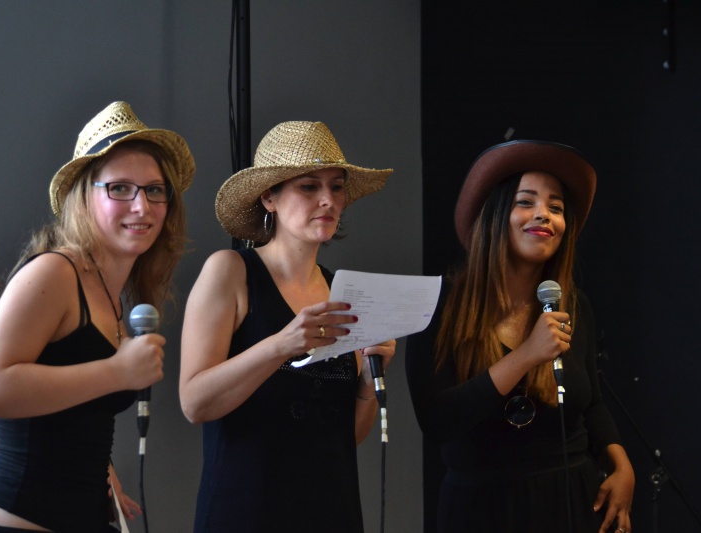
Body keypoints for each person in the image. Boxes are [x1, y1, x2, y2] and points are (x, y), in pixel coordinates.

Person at [0, 101, 195, 532]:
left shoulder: (109, 292)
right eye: (120, 188)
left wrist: (100, 469)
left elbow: (67, 407)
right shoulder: (56, 272)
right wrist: (117, 371)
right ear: (84, 196)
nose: (142, 207)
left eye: (154, 190)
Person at [405, 140, 635, 533]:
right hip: (479, 508)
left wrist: (621, 463)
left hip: (569, 499)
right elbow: (437, 421)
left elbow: (591, 403)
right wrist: (527, 355)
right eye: (526, 202)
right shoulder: (440, 303)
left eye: (556, 208)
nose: (544, 214)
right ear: (495, 215)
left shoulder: (572, 304)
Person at [180, 121, 396, 533]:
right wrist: (281, 344)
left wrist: (371, 380)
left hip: (332, 513)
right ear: (269, 197)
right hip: (246, 512)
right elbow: (194, 403)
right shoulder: (230, 271)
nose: (327, 200)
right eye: (309, 187)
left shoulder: (341, 292)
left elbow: (346, 436)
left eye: (336, 187)